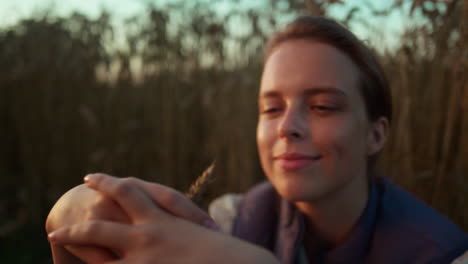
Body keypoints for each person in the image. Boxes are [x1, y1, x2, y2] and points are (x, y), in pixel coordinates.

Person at [46, 16, 468, 264]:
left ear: (376, 134)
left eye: (322, 106)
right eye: (271, 108)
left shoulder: (441, 253)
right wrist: (78, 208)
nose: (287, 126)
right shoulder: (231, 219)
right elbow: (73, 220)